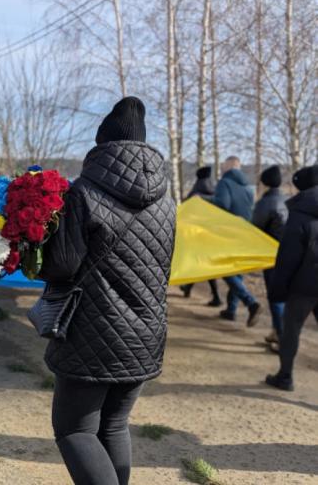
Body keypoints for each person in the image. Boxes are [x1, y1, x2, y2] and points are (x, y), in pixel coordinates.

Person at [41, 97, 176, 485]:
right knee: (115, 426)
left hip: (93, 330)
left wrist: (39, 246)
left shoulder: (83, 192)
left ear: (101, 144)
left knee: (75, 430)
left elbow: (62, 267)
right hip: (146, 329)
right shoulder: (168, 200)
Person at [266, 165, 318, 391]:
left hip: (304, 285)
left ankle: (285, 377)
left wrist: (278, 289)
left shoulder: (300, 212)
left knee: (291, 330)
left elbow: (288, 256)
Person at [213, 156, 261, 326]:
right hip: (245, 232)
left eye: (223, 166)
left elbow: (222, 205)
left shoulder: (224, 183)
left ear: (227, 167)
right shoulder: (249, 187)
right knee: (237, 271)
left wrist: (202, 200)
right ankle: (231, 310)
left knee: (225, 270)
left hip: (228, 232)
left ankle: (251, 302)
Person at [252, 165, 288, 351]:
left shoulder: (266, 203)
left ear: (264, 183)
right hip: (289, 255)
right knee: (282, 296)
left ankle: (282, 338)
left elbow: (254, 229)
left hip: (272, 256)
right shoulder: (285, 199)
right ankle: (276, 331)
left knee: (276, 297)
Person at [180, 166, 222, 306]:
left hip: (196, 234)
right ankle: (211, 294)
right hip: (211, 234)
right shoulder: (216, 194)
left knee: (196, 262)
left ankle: (214, 295)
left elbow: (186, 212)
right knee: (205, 264)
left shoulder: (195, 194)